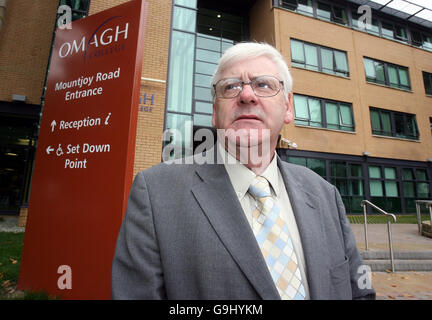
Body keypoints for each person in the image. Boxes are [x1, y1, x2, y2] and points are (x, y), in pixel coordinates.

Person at [111, 42, 376, 300]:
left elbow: (359, 293)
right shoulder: (156, 193)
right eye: (230, 87)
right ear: (215, 112)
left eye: (263, 84)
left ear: (288, 108)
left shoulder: (325, 194)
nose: (247, 95)